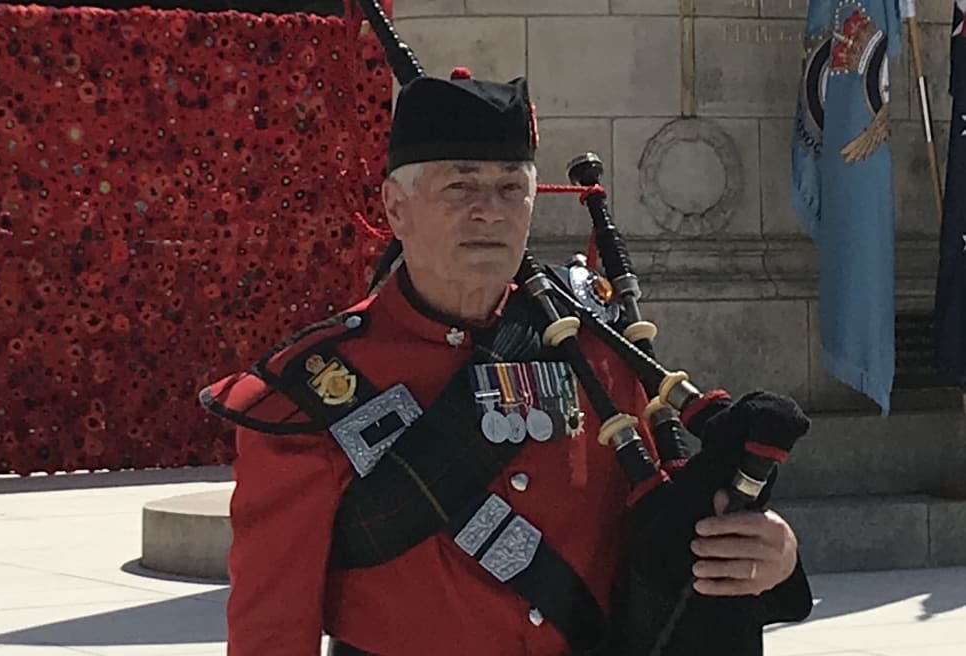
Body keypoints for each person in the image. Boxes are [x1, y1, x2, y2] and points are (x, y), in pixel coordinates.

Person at [200, 69, 807, 656]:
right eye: (460, 187)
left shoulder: (597, 349)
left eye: (512, 188)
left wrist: (769, 555)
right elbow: (271, 632)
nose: (490, 211)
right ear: (395, 208)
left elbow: (659, 535)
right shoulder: (309, 393)